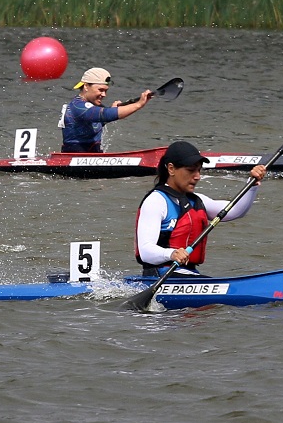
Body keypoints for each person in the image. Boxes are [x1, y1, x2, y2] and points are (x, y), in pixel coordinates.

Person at [135, 141, 267, 278]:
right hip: (161, 275)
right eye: (191, 170)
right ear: (171, 169)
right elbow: (145, 251)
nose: (197, 176)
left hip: (189, 274)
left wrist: (252, 185)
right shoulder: (156, 201)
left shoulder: (197, 200)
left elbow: (236, 210)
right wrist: (172, 254)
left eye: (199, 170)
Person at [59, 67, 153, 153]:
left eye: (106, 91)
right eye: (100, 90)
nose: (104, 95)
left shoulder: (93, 107)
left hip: (92, 155)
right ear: (86, 86)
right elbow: (106, 114)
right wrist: (139, 104)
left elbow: (106, 115)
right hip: (73, 157)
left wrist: (114, 109)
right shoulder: (78, 107)